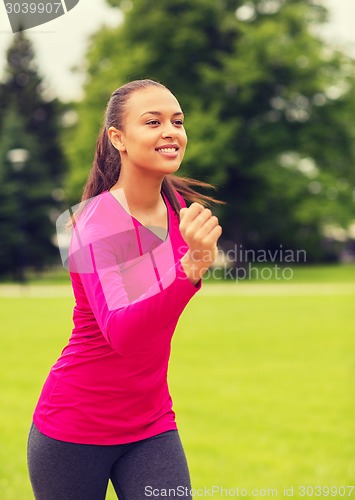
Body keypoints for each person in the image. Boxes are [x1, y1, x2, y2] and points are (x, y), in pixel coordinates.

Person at [27, 79, 222, 500]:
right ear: (118, 137)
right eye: (153, 122)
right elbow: (123, 333)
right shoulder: (94, 224)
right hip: (74, 427)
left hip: (151, 424)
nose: (171, 131)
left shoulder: (180, 214)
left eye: (177, 121)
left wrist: (193, 265)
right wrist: (192, 268)